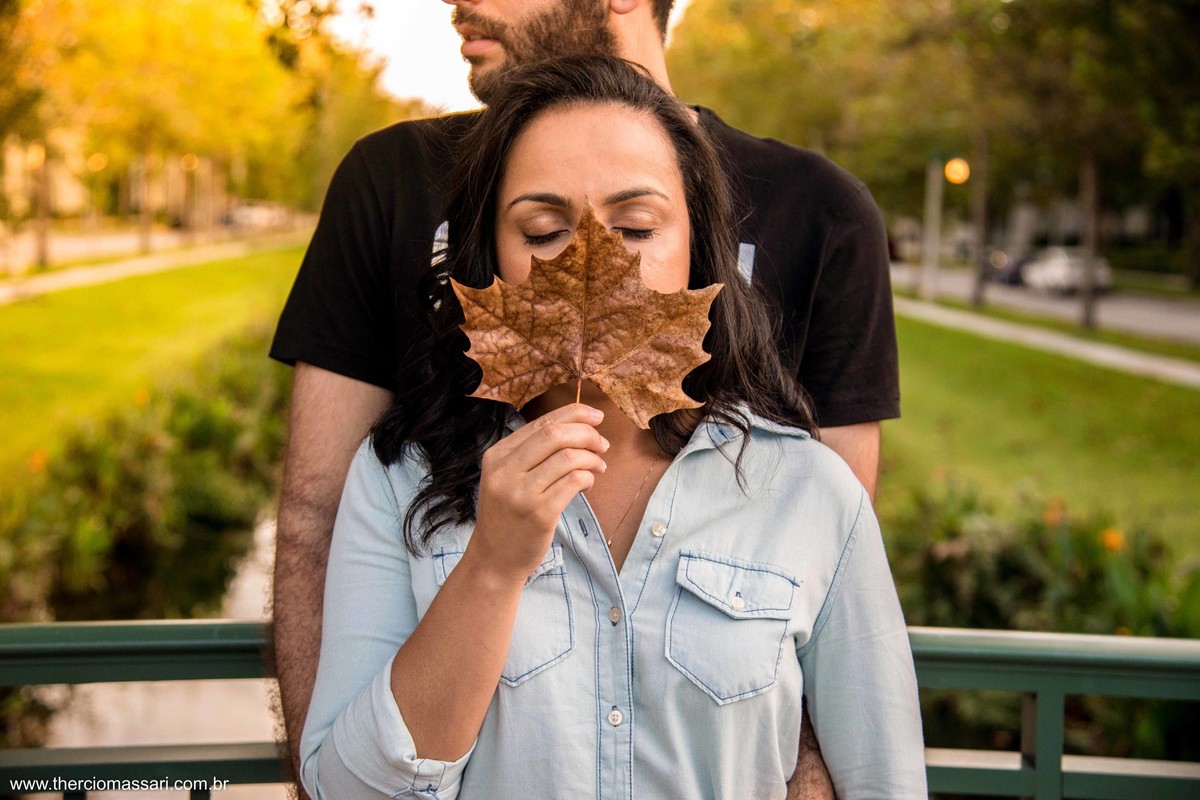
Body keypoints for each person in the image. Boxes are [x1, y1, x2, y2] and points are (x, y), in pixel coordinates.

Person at [271, 1, 899, 795]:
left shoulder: (803, 486)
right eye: (540, 235)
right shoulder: (400, 480)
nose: (591, 263)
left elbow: (843, 661)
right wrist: (492, 567)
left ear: (703, 253)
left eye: (636, 228)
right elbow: (312, 524)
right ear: (484, 261)